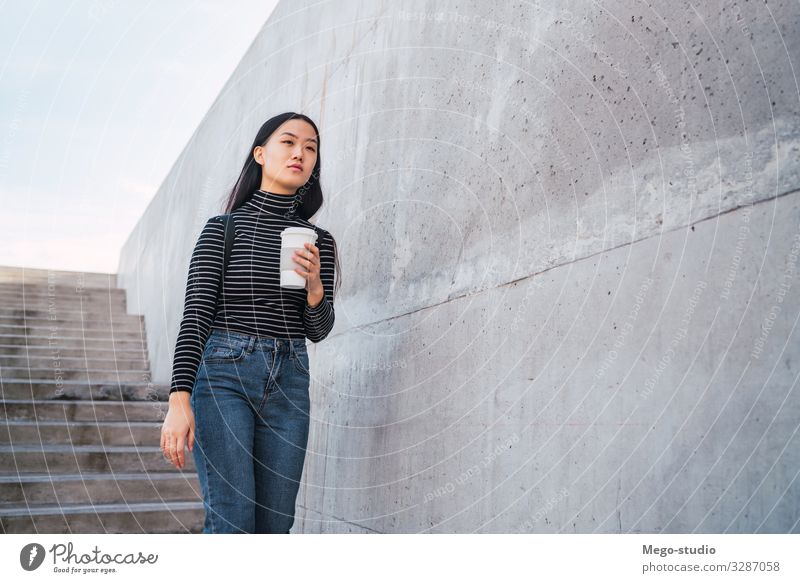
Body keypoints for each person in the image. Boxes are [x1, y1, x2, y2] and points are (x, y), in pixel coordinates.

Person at [160, 112, 340, 533]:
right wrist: (179, 400)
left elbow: (318, 330)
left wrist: (314, 286)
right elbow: (196, 317)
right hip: (224, 376)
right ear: (260, 153)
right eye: (289, 142)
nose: (300, 153)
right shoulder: (223, 230)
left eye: (311, 147)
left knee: (276, 527)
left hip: (290, 380)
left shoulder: (320, 243)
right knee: (233, 521)